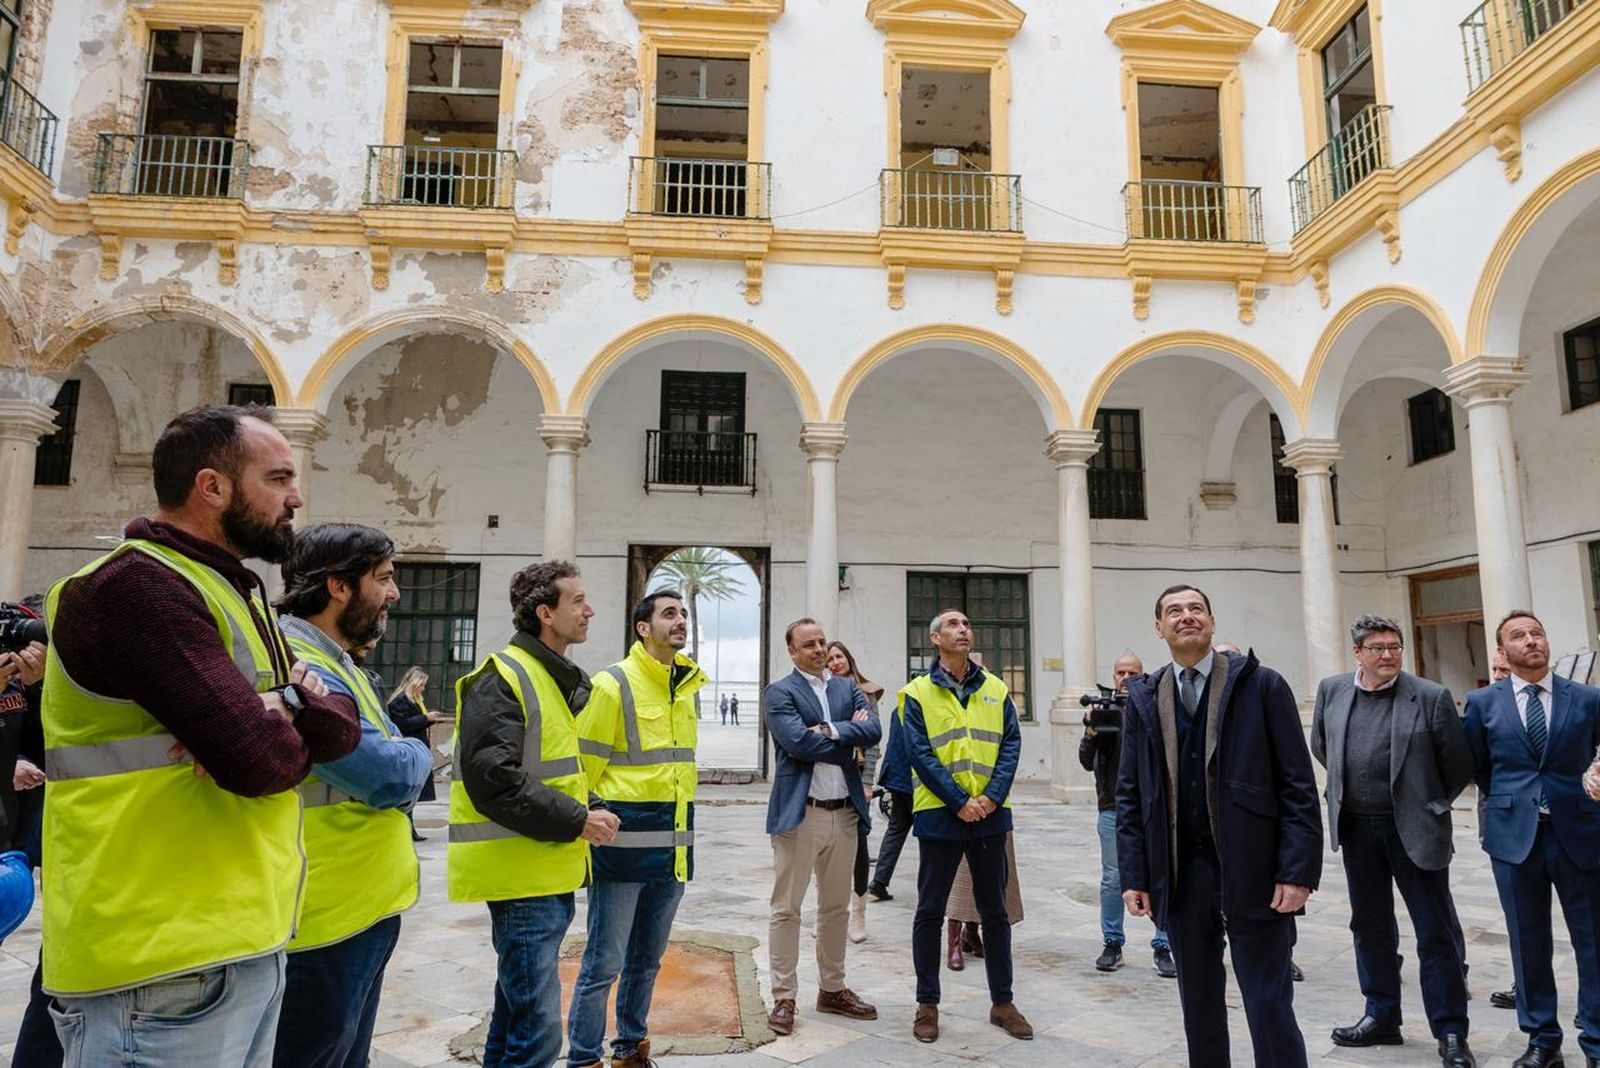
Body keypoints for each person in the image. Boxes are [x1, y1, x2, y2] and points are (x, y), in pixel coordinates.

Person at [39, 404, 360, 1065]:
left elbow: (341, 725)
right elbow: (260, 761)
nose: (296, 497)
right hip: (157, 962)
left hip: (238, 940)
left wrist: (277, 707)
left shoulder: (230, 590)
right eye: (278, 478)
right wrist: (278, 713)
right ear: (212, 487)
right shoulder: (136, 589)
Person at [1117, 584, 1322, 1068]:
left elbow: (1298, 784)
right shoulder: (1147, 698)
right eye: (1174, 611)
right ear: (1159, 627)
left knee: (1268, 1001)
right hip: (1182, 872)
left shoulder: (1261, 685)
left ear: (1212, 621)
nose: (1186, 617)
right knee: (1200, 1004)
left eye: (1196, 609)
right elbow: (1130, 794)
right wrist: (1134, 875)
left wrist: (1297, 870)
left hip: (1254, 867)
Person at [272, 523, 434, 1068]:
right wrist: (415, 746)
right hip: (319, 919)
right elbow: (388, 775)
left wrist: (400, 753)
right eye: (384, 579)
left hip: (360, 909)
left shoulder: (341, 664)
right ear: (339, 585)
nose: (394, 594)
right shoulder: (304, 664)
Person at [448, 561, 620, 1068]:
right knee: (538, 1031)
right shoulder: (503, 676)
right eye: (578, 601)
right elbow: (494, 781)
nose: (590, 610)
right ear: (545, 613)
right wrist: (577, 819)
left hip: (543, 870)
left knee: (513, 1018)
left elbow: (550, 771)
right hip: (519, 878)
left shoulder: (547, 677)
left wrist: (591, 805)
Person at [1311, 614, 1475, 1067]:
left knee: (1434, 932)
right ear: (1358, 653)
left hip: (1414, 830)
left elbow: (1457, 763)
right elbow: (1322, 745)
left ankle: (1450, 1032)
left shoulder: (1429, 696)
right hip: (1357, 829)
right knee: (1370, 928)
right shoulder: (1333, 690)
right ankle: (1381, 1014)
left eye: (1395, 647)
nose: (1388, 655)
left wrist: (1430, 804)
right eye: (1378, 648)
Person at [568, 590, 706, 1068]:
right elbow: (581, 770)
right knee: (603, 964)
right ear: (642, 628)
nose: (680, 620)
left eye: (683, 613)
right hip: (622, 851)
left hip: (673, 851)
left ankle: (630, 1049)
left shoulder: (685, 688)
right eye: (669, 614)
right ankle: (584, 1057)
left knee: (647, 961)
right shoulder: (612, 685)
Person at [1463, 610, 1600, 1068]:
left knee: (1593, 941)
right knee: (1528, 941)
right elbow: (1481, 769)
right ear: (1503, 651)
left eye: (1537, 633)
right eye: (1518, 636)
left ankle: (1597, 1040)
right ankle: (1543, 1040)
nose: (1531, 641)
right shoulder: (1482, 704)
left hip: (1579, 833)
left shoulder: (1586, 698)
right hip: (1514, 838)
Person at [902, 609, 1032, 1045]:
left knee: (995, 912)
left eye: (967, 624)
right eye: (953, 625)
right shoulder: (915, 693)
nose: (964, 630)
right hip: (941, 816)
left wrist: (991, 797)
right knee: (930, 911)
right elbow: (919, 752)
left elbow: (1011, 743)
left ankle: (1002, 1002)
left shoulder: (996, 687)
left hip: (991, 816)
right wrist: (959, 802)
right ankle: (927, 1004)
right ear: (934, 637)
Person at [763, 618, 881, 1036]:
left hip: (845, 812)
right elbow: (797, 742)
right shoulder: (780, 692)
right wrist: (848, 743)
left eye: (822, 642)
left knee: (836, 908)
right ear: (792, 651)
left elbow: (874, 729)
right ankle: (784, 996)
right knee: (787, 909)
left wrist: (831, 730)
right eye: (808, 644)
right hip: (801, 814)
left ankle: (832, 989)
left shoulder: (846, 688)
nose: (818, 650)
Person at [1080, 651, 1175, 978]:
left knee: (1161, 871)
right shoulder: (1105, 711)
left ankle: (1164, 943)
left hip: (1153, 806)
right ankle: (1112, 942)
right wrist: (1092, 731)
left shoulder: (1154, 708)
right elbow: (1084, 759)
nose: (1125, 677)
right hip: (1112, 807)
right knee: (1113, 878)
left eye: (1132, 672)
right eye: (1120, 672)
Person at [825, 640, 883, 944]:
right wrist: (850, 727)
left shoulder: (866, 692)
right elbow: (820, 730)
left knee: (859, 842)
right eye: (829, 659)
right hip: (830, 772)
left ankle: (859, 913)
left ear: (849, 658)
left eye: (839, 656)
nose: (835, 662)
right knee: (829, 845)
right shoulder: (821, 693)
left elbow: (872, 740)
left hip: (858, 774)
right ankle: (830, 914)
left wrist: (869, 781)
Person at [1487, 647, 1520, 1012]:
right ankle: (1524, 984)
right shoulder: (1485, 706)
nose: (1497, 675)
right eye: (1494, 669)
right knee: (1521, 919)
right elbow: (1479, 767)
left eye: (1503, 669)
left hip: (1568, 832)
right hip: (1508, 831)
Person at [866, 680, 912, 903]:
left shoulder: (898, 710)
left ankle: (878, 883)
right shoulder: (922, 710)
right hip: (913, 780)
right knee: (930, 833)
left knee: (896, 829)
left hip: (895, 777)